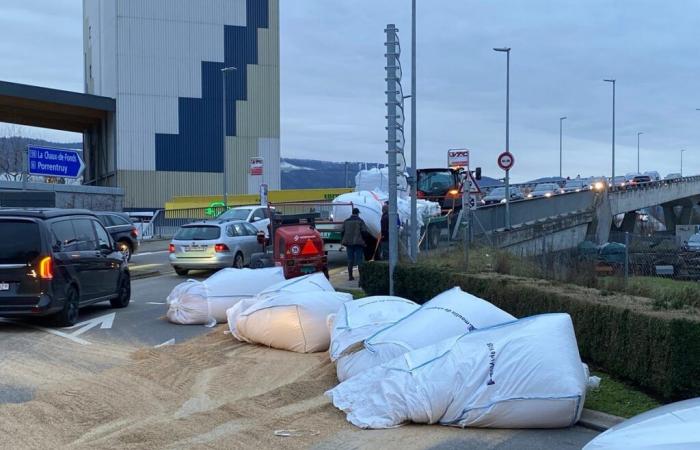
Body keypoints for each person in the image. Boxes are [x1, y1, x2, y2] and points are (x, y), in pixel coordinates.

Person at [341, 208, 368, 281]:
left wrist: (343, 240)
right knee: (359, 260)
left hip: (349, 243)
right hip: (358, 243)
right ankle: (361, 277)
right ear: (357, 213)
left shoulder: (346, 221)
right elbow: (364, 232)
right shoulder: (360, 221)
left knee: (350, 260)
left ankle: (350, 276)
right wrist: (364, 241)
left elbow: (342, 232)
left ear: (352, 213)